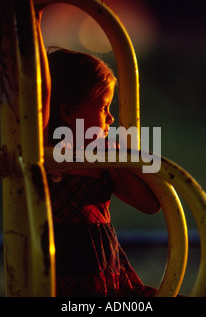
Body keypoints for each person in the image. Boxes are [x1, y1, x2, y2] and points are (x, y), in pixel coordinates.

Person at [36, 8, 161, 297]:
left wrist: (117, 156)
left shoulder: (101, 160)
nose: (111, 119)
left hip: (106, 275)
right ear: (68, 113)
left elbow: (149, 203)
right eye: (104, 107)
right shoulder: (40, 159)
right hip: (56, 276)